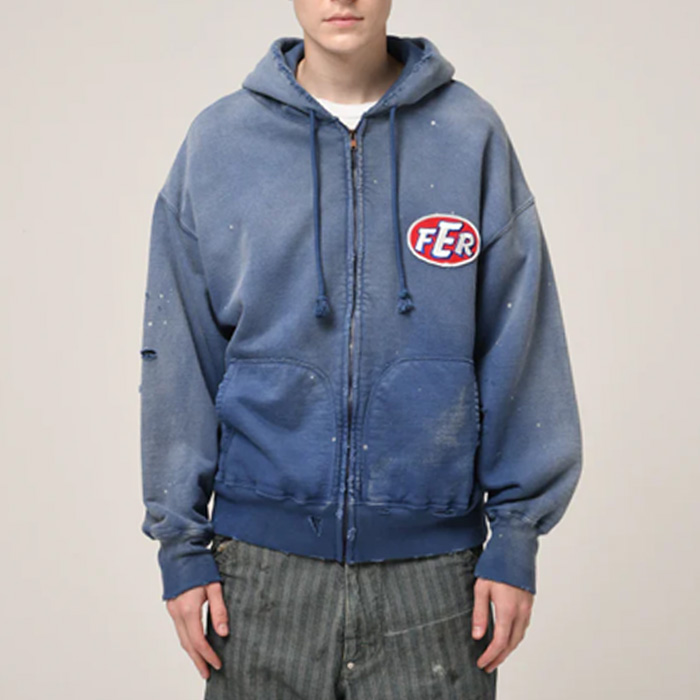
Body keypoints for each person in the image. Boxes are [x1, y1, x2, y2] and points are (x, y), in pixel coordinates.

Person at [138, 1, 583, 698]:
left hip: (438, 579)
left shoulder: (469, 135)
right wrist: (181, 546)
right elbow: (180, 356)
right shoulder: (219, 144)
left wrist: (518, 535)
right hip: (259, 574)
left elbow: (520, 336)